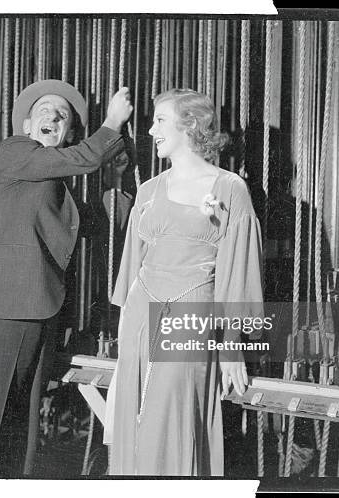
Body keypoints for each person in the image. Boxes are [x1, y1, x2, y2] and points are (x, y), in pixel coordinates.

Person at [0, 80, 133, 475]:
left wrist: (116, 183)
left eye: (61, 115)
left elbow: (100, 226)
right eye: (44, 109)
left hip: (39, 311)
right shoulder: (15, 152)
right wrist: (112, 123)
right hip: (2, 309)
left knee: (19, 428)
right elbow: (86, 158)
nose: (52, 116)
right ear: (27, 126)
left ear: (70, 134)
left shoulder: (58, 189)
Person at [105, 89, 263, 475]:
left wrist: (230, 349)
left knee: (169, 419)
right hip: (140, 317)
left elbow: (238, 275)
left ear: (189, 125)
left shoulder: (229, 188)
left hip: (191, 313)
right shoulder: (148, 190)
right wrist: (123, 343)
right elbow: (131, 271)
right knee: (134, 420)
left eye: (159, 120)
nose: (150, 129)